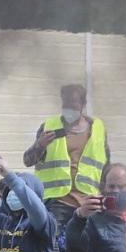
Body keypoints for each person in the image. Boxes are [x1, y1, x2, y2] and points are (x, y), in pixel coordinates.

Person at [22, 84, 111, 237]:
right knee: (54, 249)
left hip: (89, 202)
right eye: (65, 104)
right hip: (57, 203)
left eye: (73, 104)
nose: (68, 109)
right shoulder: (49, 127)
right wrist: (40, 145)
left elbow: (106, 166)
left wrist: (105, 197)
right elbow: (28, 160)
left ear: (83, 104)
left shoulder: (98, 129)